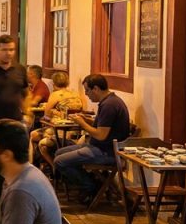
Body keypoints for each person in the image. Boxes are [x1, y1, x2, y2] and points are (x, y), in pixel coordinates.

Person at [54, 74, 131, 202]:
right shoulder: (108, 101)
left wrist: (82, 124)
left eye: (87, 90)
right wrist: (85, 120)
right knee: (59, 152)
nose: (86, 94)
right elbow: (103, 127)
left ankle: (91, 186)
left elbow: (101, 135)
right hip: (99, 147)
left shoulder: (109, 105)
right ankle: (91, 182)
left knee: (59, 161)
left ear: (95, 89)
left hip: (107, 152)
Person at [32, 71, 85, 165]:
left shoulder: (55, 95)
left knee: (33, 134)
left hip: (59, 132)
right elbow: (84, 111)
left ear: (53, 83)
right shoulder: (77, 94)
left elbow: (46, 116)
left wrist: (53, 112)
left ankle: (50, 166)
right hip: (76, 132)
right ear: (67, 82)